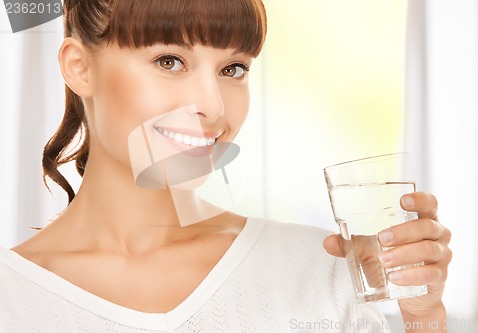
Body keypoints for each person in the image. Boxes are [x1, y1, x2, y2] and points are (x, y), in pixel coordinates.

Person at [0, 0, 452, 332]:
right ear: (80, 67)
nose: (212, 107)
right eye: (170, 61)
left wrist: (424, 318)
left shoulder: (316, 272)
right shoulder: (11, 301)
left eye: (233, 69)